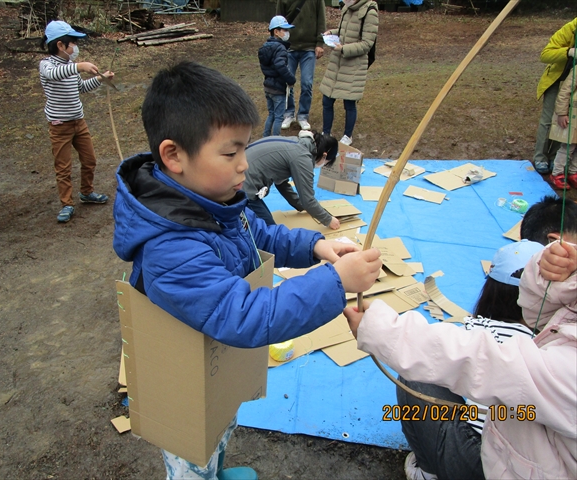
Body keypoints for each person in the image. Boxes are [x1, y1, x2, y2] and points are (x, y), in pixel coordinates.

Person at [112, 61, 382, 480]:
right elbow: (244, 315)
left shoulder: (214, 204)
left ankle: (217, 468)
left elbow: (257, 232)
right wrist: (336, 281)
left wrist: (316, 245)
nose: (243, 164)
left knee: (221, 426)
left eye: (245, 149)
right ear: (173, 155)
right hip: (182, 389)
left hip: (214, 370)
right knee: (192, 457)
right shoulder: (171, 247)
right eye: (230, 152)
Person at [345, 233, 577, 479]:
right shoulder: (538, 333)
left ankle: (428, 470)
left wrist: (383, 331)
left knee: (417, 380)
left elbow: (483, 363)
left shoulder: (559, 368)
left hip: (493, 466)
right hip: (516, 451)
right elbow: (539, 314)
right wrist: (557, 277)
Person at [397, 240, 544, 480]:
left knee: (413, 374)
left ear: (492, 290)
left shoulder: (480, 332)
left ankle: (427, 471)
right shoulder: (556, 341)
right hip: (538, 464)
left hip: (483, 463)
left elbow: (420, 351)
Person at [39, 21, 113, 223]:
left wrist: (100, 78)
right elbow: (54, 75)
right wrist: (80, 66)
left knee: (89, 160)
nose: (75, 48)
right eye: (72, 43)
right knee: (63, 167)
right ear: (60, 45)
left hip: (78, 122)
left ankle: (86, 192)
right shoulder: (47, 65)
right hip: (59, 125)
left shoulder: (70, 68)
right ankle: (67, 204)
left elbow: (80, 87)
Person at [244, 131, 339, 228]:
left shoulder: (296, 143)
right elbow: (308, 200)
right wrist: (328, 219)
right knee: (269, 232)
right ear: (324, 155)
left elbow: (282, 184)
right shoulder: (302, 157)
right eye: (326, 162)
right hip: (242, 186)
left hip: (238, 174)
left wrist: (300, 205)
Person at [319, 0, 378, 146]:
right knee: (327, 99)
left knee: (349, 102)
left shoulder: (370, 12)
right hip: (337, 62)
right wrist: (331, 33)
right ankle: (326, 132)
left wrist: (344, 49)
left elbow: (366, 44)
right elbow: (343, 30)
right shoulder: (346, 7)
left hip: (354, 64)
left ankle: (347, 135)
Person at [532, 18, 576, 174]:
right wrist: (569, 52)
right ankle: (540, 157)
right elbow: (545, 54)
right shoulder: (570, 29)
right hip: (557, 81)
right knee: (548, 119)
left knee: (565, 121)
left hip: (574, 84)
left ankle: (554, 157)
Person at [277, 0, 326, 131]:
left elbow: (321, 18)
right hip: (289, 47)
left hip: (309, 48)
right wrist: (279, 43)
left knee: (307, 83)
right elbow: (278, 20)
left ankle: (303, 115)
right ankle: (289, 113)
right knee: (287, 83)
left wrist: (320, 43)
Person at [259, 16, 297, 137]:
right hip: (278, 88)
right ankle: (276, 140)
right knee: (279, 117)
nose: (287, 33)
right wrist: (291, 79)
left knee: (271, 114)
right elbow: (280, 65)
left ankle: (265, 137)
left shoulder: (266, 47)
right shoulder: (280, 48)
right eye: (284, 30)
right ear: (276, 32)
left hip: (268, 86)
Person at [548, 63, 577, 190]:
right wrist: (561, 113)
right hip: (574, 115)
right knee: (568, 146)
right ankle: (557, 173)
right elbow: (565, 91)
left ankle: (573, 171)